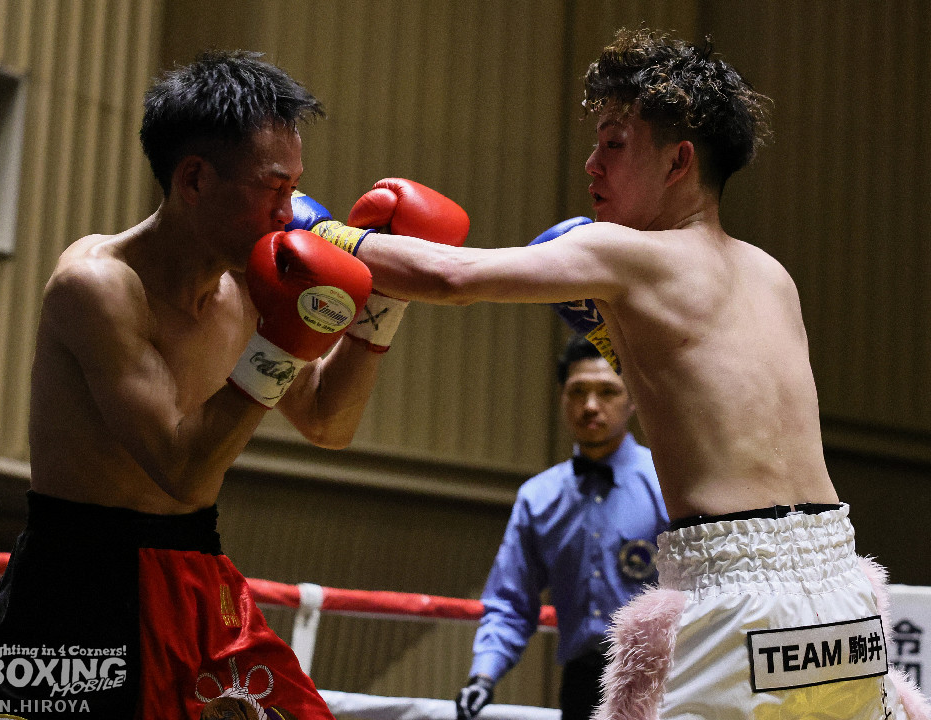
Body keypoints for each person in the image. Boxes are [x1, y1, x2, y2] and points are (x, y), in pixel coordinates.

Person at [302, 27, 931, 720]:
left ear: (678, 160)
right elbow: (706, 396)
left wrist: (318, 233)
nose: (591, 165)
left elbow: (453, 277)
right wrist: (617, 336)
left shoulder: (622, 255)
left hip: (736, 597)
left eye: (614, 143)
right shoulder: (772, 275)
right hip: (842, 593)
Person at [0, 51, 467, 720]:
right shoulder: (97, 286)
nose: (290, 211)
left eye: (295, 187)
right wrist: (283, 341)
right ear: (196, 179)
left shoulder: (251, 289)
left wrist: (383, 302)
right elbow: (179, 468)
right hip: (75, 582)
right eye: (274, 188)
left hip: (198, 568)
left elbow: (329, 422)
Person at [455, 334, 668, 720]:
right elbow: (511, 600)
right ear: (561, 398)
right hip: (583, 685)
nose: (591, 406)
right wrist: (483, 676)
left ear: (633, 398)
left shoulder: (668, 484)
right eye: (578, 392)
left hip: (665, 680)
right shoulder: (538, 498)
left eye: (607, 391)